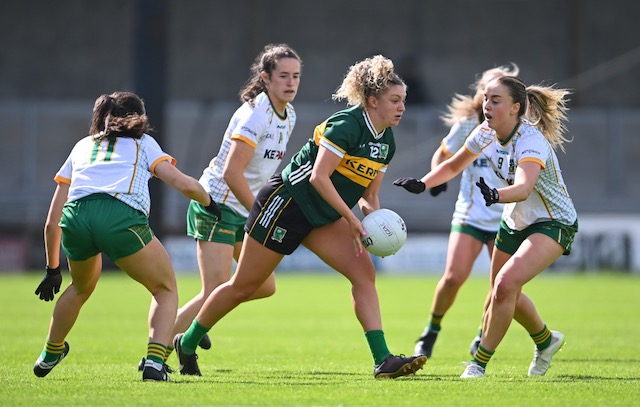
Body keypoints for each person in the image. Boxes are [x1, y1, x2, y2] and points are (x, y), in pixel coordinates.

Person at [173, 55, 427, 379]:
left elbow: (369, 195)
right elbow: (318, 178)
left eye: (403, 100)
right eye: (394, 100)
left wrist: (376, 225)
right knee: (244, 286)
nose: (401, 107)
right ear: (373, 100)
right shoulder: (346, 125)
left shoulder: (386, 142)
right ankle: (188, 341)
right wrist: (350, 220)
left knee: (364, 273)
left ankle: (383, 360)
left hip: (321, 213)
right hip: (286, 204)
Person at [394, 75, 577, 378]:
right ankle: (546, 341)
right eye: (486, 98)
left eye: (495, 100)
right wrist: (423, 183)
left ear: (516, 108)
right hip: (514, 220)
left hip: (552, 221)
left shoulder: (531, 140)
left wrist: (496, 195)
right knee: (502, 290)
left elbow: (523, 187)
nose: (486, 105)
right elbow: (454, 164)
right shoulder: (483, 132)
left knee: (505, 285)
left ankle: (478, 364)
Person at [32, 91, 221, 382]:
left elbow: (51, 221)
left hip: (76, 219)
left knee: (80, 288)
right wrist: (208, 200)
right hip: (120, 217)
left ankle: (49, 352)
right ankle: (155, 363)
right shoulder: (142, 143)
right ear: (138, 117)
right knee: (165, 289)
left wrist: (52, 268)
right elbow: (180, 182)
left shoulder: (82, 146)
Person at [137, 43, 302, 371]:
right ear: (266, 78)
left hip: (245, 210)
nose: (291, 82)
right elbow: (231, 171)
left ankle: (195, 326)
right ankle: (156, 356)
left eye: (296, 76)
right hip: (217, 205)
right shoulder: (255, 113)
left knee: (263, 286)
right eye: (283, 75)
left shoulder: (289, 115)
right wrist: (261, 210)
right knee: (214, 289)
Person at [413, 64, 520, 358]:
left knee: (498, 283)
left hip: (505, 216)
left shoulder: (518, 129)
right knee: (453, 277)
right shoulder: (468, 125)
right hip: (471, 214)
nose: (489, 100)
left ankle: (481, 335)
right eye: (487, 92)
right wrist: (434, 178)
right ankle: (431, 331)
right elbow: (444, 154)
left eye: (497, 93)